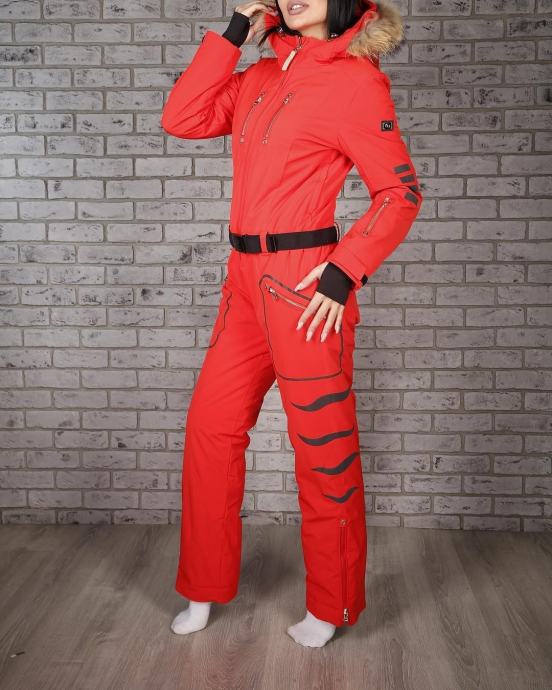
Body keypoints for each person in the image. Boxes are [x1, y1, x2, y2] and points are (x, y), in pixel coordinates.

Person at [161, 0, 422, 648]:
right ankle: (203, 586)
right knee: (210, 430)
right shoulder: (257, 76)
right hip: (242, 286)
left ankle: (332, 604)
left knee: (323, 451)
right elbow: (182, 117)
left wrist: (344, 271)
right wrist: (234, 32)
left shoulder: (357, 82)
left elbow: (400, 191)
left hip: (306, 287)